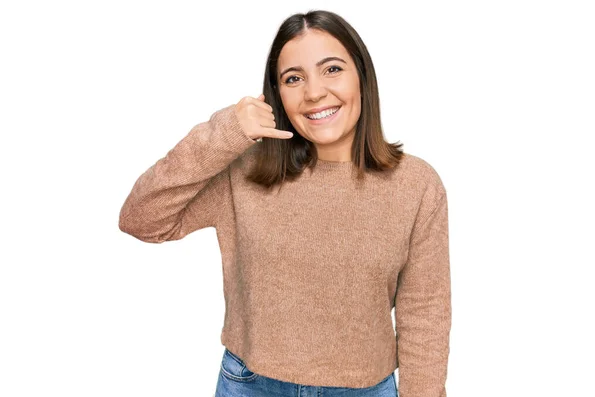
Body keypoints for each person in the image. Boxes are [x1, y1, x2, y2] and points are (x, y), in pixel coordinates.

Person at [118, 9, 451, 397]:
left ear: (362, 76)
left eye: (332, 70)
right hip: (250, 385)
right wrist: (224, 131)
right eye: (294, 78)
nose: (313, 93)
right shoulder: (244, 172)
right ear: (278, 95)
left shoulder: (416, 185)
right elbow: (141, 219)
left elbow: (424, 313)